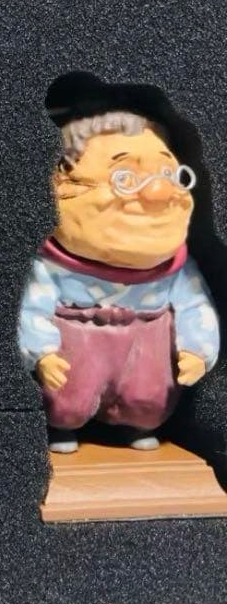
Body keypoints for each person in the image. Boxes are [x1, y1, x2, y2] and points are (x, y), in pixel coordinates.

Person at [18, 110, 218, 453]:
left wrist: (198, 349)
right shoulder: (51, 267)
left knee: (149, 398)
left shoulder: (177, 268)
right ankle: (62, 428)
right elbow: (34, 306)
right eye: (124, 178)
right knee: (69, 400)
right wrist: (42, 352)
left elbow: (195, 304)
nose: (157, 191)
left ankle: (136, 426)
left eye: (169, 175)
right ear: (61, 184)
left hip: (147, 341)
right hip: (77, 341)